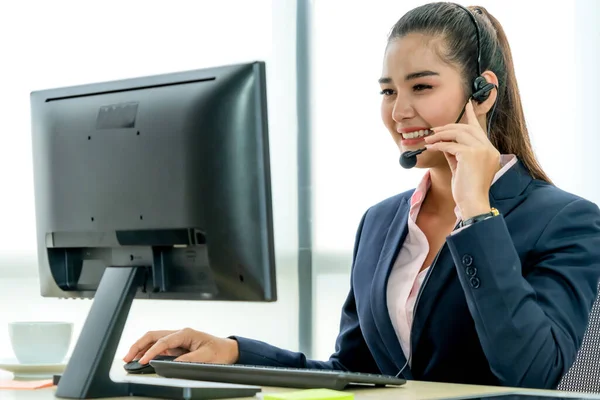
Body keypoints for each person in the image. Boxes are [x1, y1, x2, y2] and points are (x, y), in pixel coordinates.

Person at [122, 2, 600, 390]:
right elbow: (355, 373)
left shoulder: (566, 221)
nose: (400, 112)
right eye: (388, 91)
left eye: (422, 87)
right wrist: (236, 352)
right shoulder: (381, 222)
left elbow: (534, 374)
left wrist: (476, 211)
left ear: (482, 94)